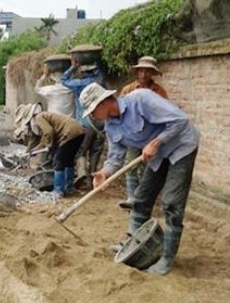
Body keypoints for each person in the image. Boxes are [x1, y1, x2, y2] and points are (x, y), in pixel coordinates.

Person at [80, 83, 199, 275]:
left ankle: (167, 259)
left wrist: (157, 141)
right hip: (158, 155)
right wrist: (105, 173)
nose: (93, 117)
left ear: (102, 103)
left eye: (92, 111)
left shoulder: (141, 100)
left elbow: (181, 120)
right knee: (140, 200)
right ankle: (132, 245)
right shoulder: (111, 126)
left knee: (171, 203)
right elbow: (116, 156)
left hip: (181, 146)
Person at [118, 56, 169, 209]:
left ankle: (143, 199)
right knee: (130, 165)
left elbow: (165, 113)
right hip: (134, 134)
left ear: (152, 73)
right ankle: (131, 198)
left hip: (152, 135)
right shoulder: (128, 90)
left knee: (149, 168)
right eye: (141, 70)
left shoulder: (159, 92)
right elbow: (120, 110)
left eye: (147, 71)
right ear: (137, 72)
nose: (143, 74)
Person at [15, 104, 84, 198]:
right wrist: (34, 151)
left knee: (58, 161)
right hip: (78, 131)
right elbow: (45, 139)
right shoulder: (46, 117)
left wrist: (50, 145)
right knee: (68, 161)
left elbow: (49, 132)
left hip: (69, 133)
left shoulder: (39, 117)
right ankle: (69, 188)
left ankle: (58, 191)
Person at [61, 46, 106, 190]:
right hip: (100, 124)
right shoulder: (99, 81)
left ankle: (82, 175)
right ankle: (93, 180)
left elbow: (63, 80)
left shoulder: (79, 84)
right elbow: (102, 71)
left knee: (80, 152)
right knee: (95, 152)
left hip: (85, 124)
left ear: (82, 72)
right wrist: (97, 59)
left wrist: (73, 66)